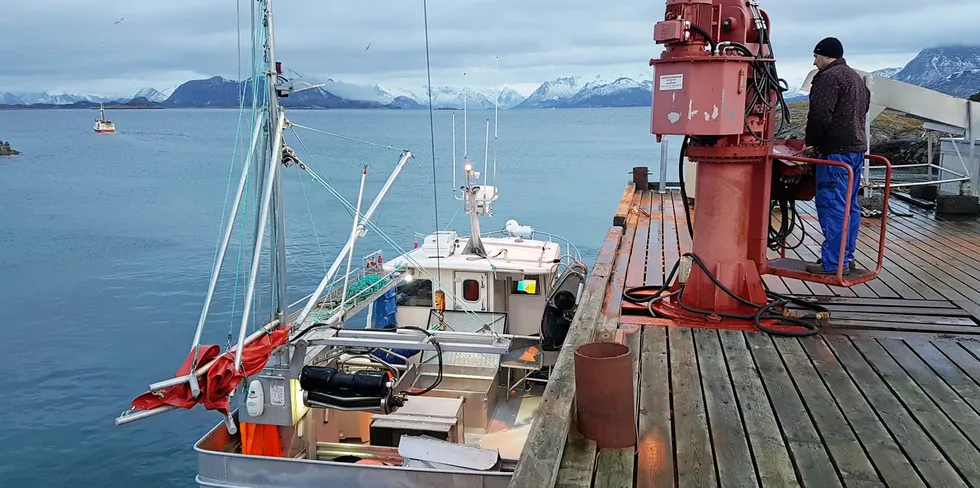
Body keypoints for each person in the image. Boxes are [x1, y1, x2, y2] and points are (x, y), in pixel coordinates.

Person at [803, 37, 871, 276]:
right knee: (849, 206)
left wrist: (811, 143)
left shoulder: (828, 78)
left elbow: (820, 115)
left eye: (816, 56)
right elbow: (865, 107)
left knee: (832, 205)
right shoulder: (856, 79)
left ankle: (834, 262)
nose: (814, 61)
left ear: (826, 55)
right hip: (856, 150)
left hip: (835, 153)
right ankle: (846, 256)